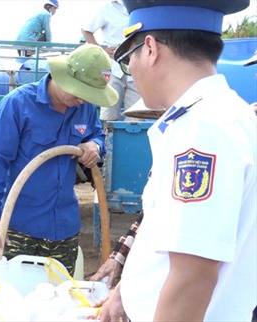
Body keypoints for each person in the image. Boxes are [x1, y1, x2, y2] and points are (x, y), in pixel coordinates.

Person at [95, 0, 257, 320]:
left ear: (151, 49)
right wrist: (124, 293)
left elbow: (192, 276)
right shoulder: (217, 115)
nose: (133, 73)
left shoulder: (203, 128)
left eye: (129, 61)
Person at [0, 44, 118, 275]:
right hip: (19, 226)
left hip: (64, 226)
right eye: (80, 93)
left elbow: (97, 135)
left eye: (88, 96)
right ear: (62, 76)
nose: (83, 101)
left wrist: (95, 145)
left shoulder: (84, 107)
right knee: (13, 296)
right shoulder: (18, 104)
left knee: (60, 297)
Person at [81, 0, 141, 122]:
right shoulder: (107, 8)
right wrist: (102, 49)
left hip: (136, 65)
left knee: (136, 117)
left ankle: (131, 141)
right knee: (108, 115)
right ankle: (107, 140)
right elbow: (86, 30)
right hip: (113, 67)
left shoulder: (141, 7)